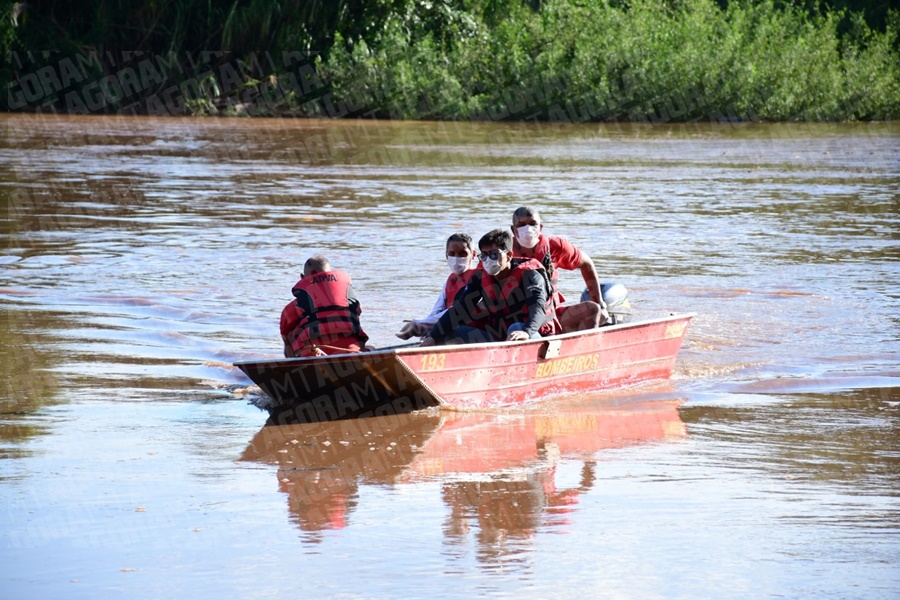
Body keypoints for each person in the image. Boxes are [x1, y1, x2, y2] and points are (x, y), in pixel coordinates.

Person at [420, 229, 559, 346]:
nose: (488, 260)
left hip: (534, 332)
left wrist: (526, 331)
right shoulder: (481, 277)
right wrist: (432, 337)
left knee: (515, 328)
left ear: (509, 255)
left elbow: (538, 308)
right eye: (484, 255)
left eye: (494, 255)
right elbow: (458, 311)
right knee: (451, 333)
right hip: (499, 335)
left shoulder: (530, 275)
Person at [509, 206, 609, 332]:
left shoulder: (556, 247)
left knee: (592, 309)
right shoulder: (503, 252)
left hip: (550, 315)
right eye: (521, 224)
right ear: (513, 229)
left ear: (540, 227)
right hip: (515, 317)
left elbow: (587, 263)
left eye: (532, 224)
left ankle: (584, 349)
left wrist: (599, 302)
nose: (528, 229)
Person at [280, 255, 369, 357]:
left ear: (302, 278)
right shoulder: (350, 301)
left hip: (310, 356)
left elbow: (288, 348)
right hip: (352, 353)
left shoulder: (290, 309)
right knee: (370, 348)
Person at [396, 232, 478, 340]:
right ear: (446, 255)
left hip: (469, 330)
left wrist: (419, 325)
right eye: (452, 254)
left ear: (473, 255)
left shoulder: (478, 278)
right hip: (449, 325)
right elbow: (437, 310)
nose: (456, 258)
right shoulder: (451, 280)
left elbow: (456, 310)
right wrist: (423, 326)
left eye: (462, 254)